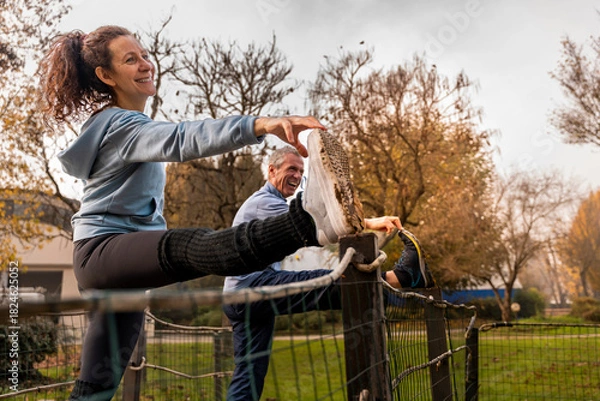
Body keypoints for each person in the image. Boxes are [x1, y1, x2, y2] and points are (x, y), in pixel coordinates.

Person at [38, 25, 366, 401]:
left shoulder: (122, 126)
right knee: (199, 246)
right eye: (131, 59)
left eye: (144, 55)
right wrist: (260, 124)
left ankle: (311, 222)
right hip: (104, 252)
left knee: (97, 386)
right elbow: (181, 139)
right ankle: (311, 222)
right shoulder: (119, 125)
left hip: (115, 270)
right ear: (106, 75)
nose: (146, 64)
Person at [223, 146, 434, 401]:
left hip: (241, 298)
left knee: (249, 376)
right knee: (330, 282)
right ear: (271, 171)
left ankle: (403, 278)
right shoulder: (264, 204)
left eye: (301, 171)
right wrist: (370, 221)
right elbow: (314, 224)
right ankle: (401, 277)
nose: (297, 175)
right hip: (251, 290)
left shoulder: (272, 203)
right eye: (292, 168)